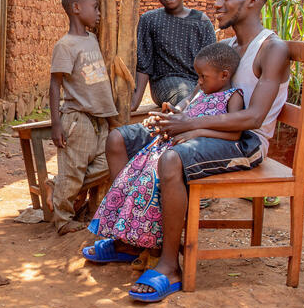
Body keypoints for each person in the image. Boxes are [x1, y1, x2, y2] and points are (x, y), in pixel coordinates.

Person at [89, 0, 291, 303]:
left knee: (172, 158)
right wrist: (174, 115)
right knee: (119, 140)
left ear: (254, 1)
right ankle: (131, 239)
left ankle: (169, 266)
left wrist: (189, 127)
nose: (217, 3)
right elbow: (195, 97)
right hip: (206, 126)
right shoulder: (225, 47)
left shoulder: (272, 49)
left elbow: (253, 117)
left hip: (245, 141)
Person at [87, 41, 244, 253]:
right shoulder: (202, 92)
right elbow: (183, 109)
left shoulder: (233, 97)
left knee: (149, 184)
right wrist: (168, 116)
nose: (198, 81)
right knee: (130, 180)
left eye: (202, 77)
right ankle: (126, 238)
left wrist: (196, 132)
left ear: (224, 75)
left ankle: (150, 242)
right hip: (165, 145)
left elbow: (234, 133)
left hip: (181, 151)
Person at [49, 0, 118, 235]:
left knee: (109, 163)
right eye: (95, 7)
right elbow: (55, 85)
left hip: (100, 118)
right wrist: (56, 124)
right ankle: (63, 219)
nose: (99, 13)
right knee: (73, 169)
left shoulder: (93, 39)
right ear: (77, 8)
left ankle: (56, 187)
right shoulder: (65, 45)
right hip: (77, 118)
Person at [132, 0, 217, 109]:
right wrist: (135, 102)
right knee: (186, 97)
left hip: (199, 82)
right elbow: (144, 64)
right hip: (165, 81)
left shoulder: (202, 21)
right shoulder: (150, 19)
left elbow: (211, 63)